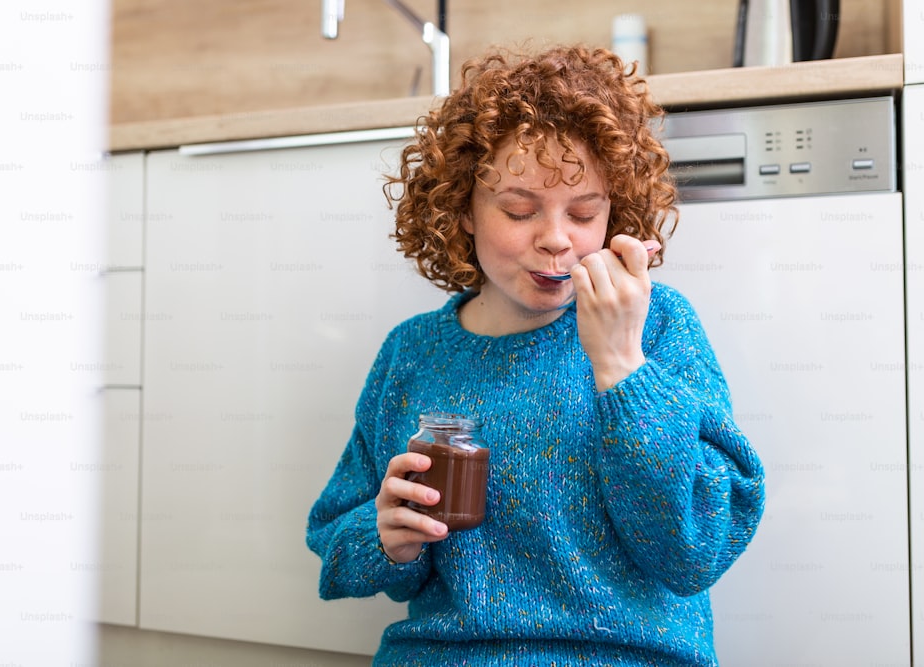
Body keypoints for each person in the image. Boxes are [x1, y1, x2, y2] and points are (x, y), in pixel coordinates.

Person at [306, 44, 765, 666]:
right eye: (519, 210)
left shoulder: (659, 328)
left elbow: (696, 551)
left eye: (584, 212)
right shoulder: (411, 353)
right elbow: (333, 539)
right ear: (463, 209)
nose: (556, 240)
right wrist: (385, 537)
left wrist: (622, 368)